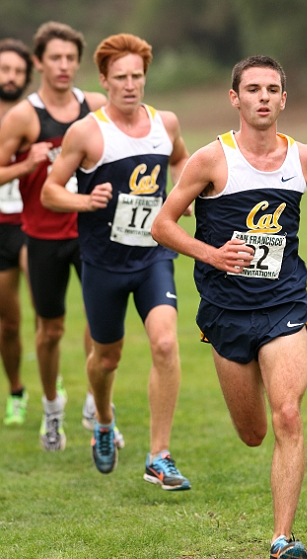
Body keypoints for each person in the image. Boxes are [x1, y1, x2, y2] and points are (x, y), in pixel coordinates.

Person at [151, 55, 307, 559]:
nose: (263, 97)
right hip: (225, 311)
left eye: (272, 89)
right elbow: (163, 225)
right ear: (235, 98)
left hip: (285, 303)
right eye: (253, 89)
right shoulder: (210, 160)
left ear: (284, 99)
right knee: (253, 432)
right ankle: (254, 382)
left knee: (287, 414)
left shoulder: (306, 159)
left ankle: (282, 539)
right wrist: (213, 255)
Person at [41, 33, 191, 488]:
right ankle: (102, 420)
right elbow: (51, 190)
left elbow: (182, 161)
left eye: (138, 77)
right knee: (105, 359)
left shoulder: (166, 123)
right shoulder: (87, 131)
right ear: (104, 80)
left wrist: (180, 200)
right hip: (103, 263)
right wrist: (85, 202)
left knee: (165, 344)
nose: (131, 85)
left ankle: (159, 455)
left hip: (153, 257)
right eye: (121, 77)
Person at [0, 22, 107, 451]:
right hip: (40, 234)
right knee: (50, 330)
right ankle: (50, 408)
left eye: (70, 59)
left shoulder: (95, 105)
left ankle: (93, 400)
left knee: (101, 324)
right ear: (38, 63)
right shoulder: (24, 116)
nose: (64, 66)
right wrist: (27, 165)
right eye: (55, 58)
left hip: (90, 230)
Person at [0, 38, 33, 427]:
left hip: (31, 223)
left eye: (17, 71)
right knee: (8, 322)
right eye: (4, 69)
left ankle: (49, 369)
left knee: (47, 311)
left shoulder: (34, 115)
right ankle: (16, 391)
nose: (10, 77)